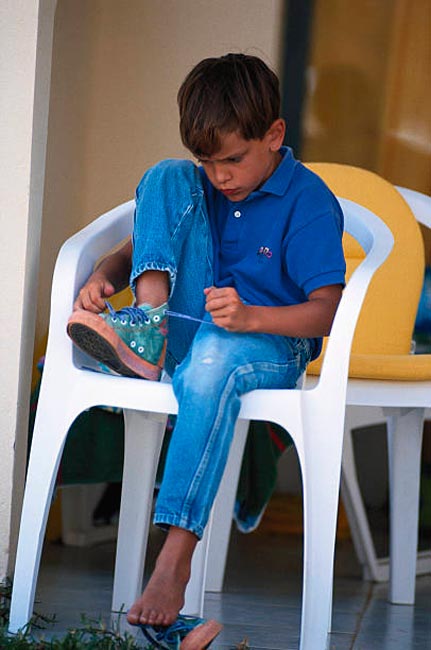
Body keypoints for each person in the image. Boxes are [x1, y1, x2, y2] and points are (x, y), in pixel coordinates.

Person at [67, 53, 346, 637]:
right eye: (209, 161)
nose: (220, 176)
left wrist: (251, 317)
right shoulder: (198, 182)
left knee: (215, 359)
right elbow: (135, 250)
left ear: (274, 135)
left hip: (270, 341)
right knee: (164, 176)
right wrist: (102, 276)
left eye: (233, 160)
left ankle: (173, 559)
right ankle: (145, 323)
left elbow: (325, 312)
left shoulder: (309, 200)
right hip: (190, 328)